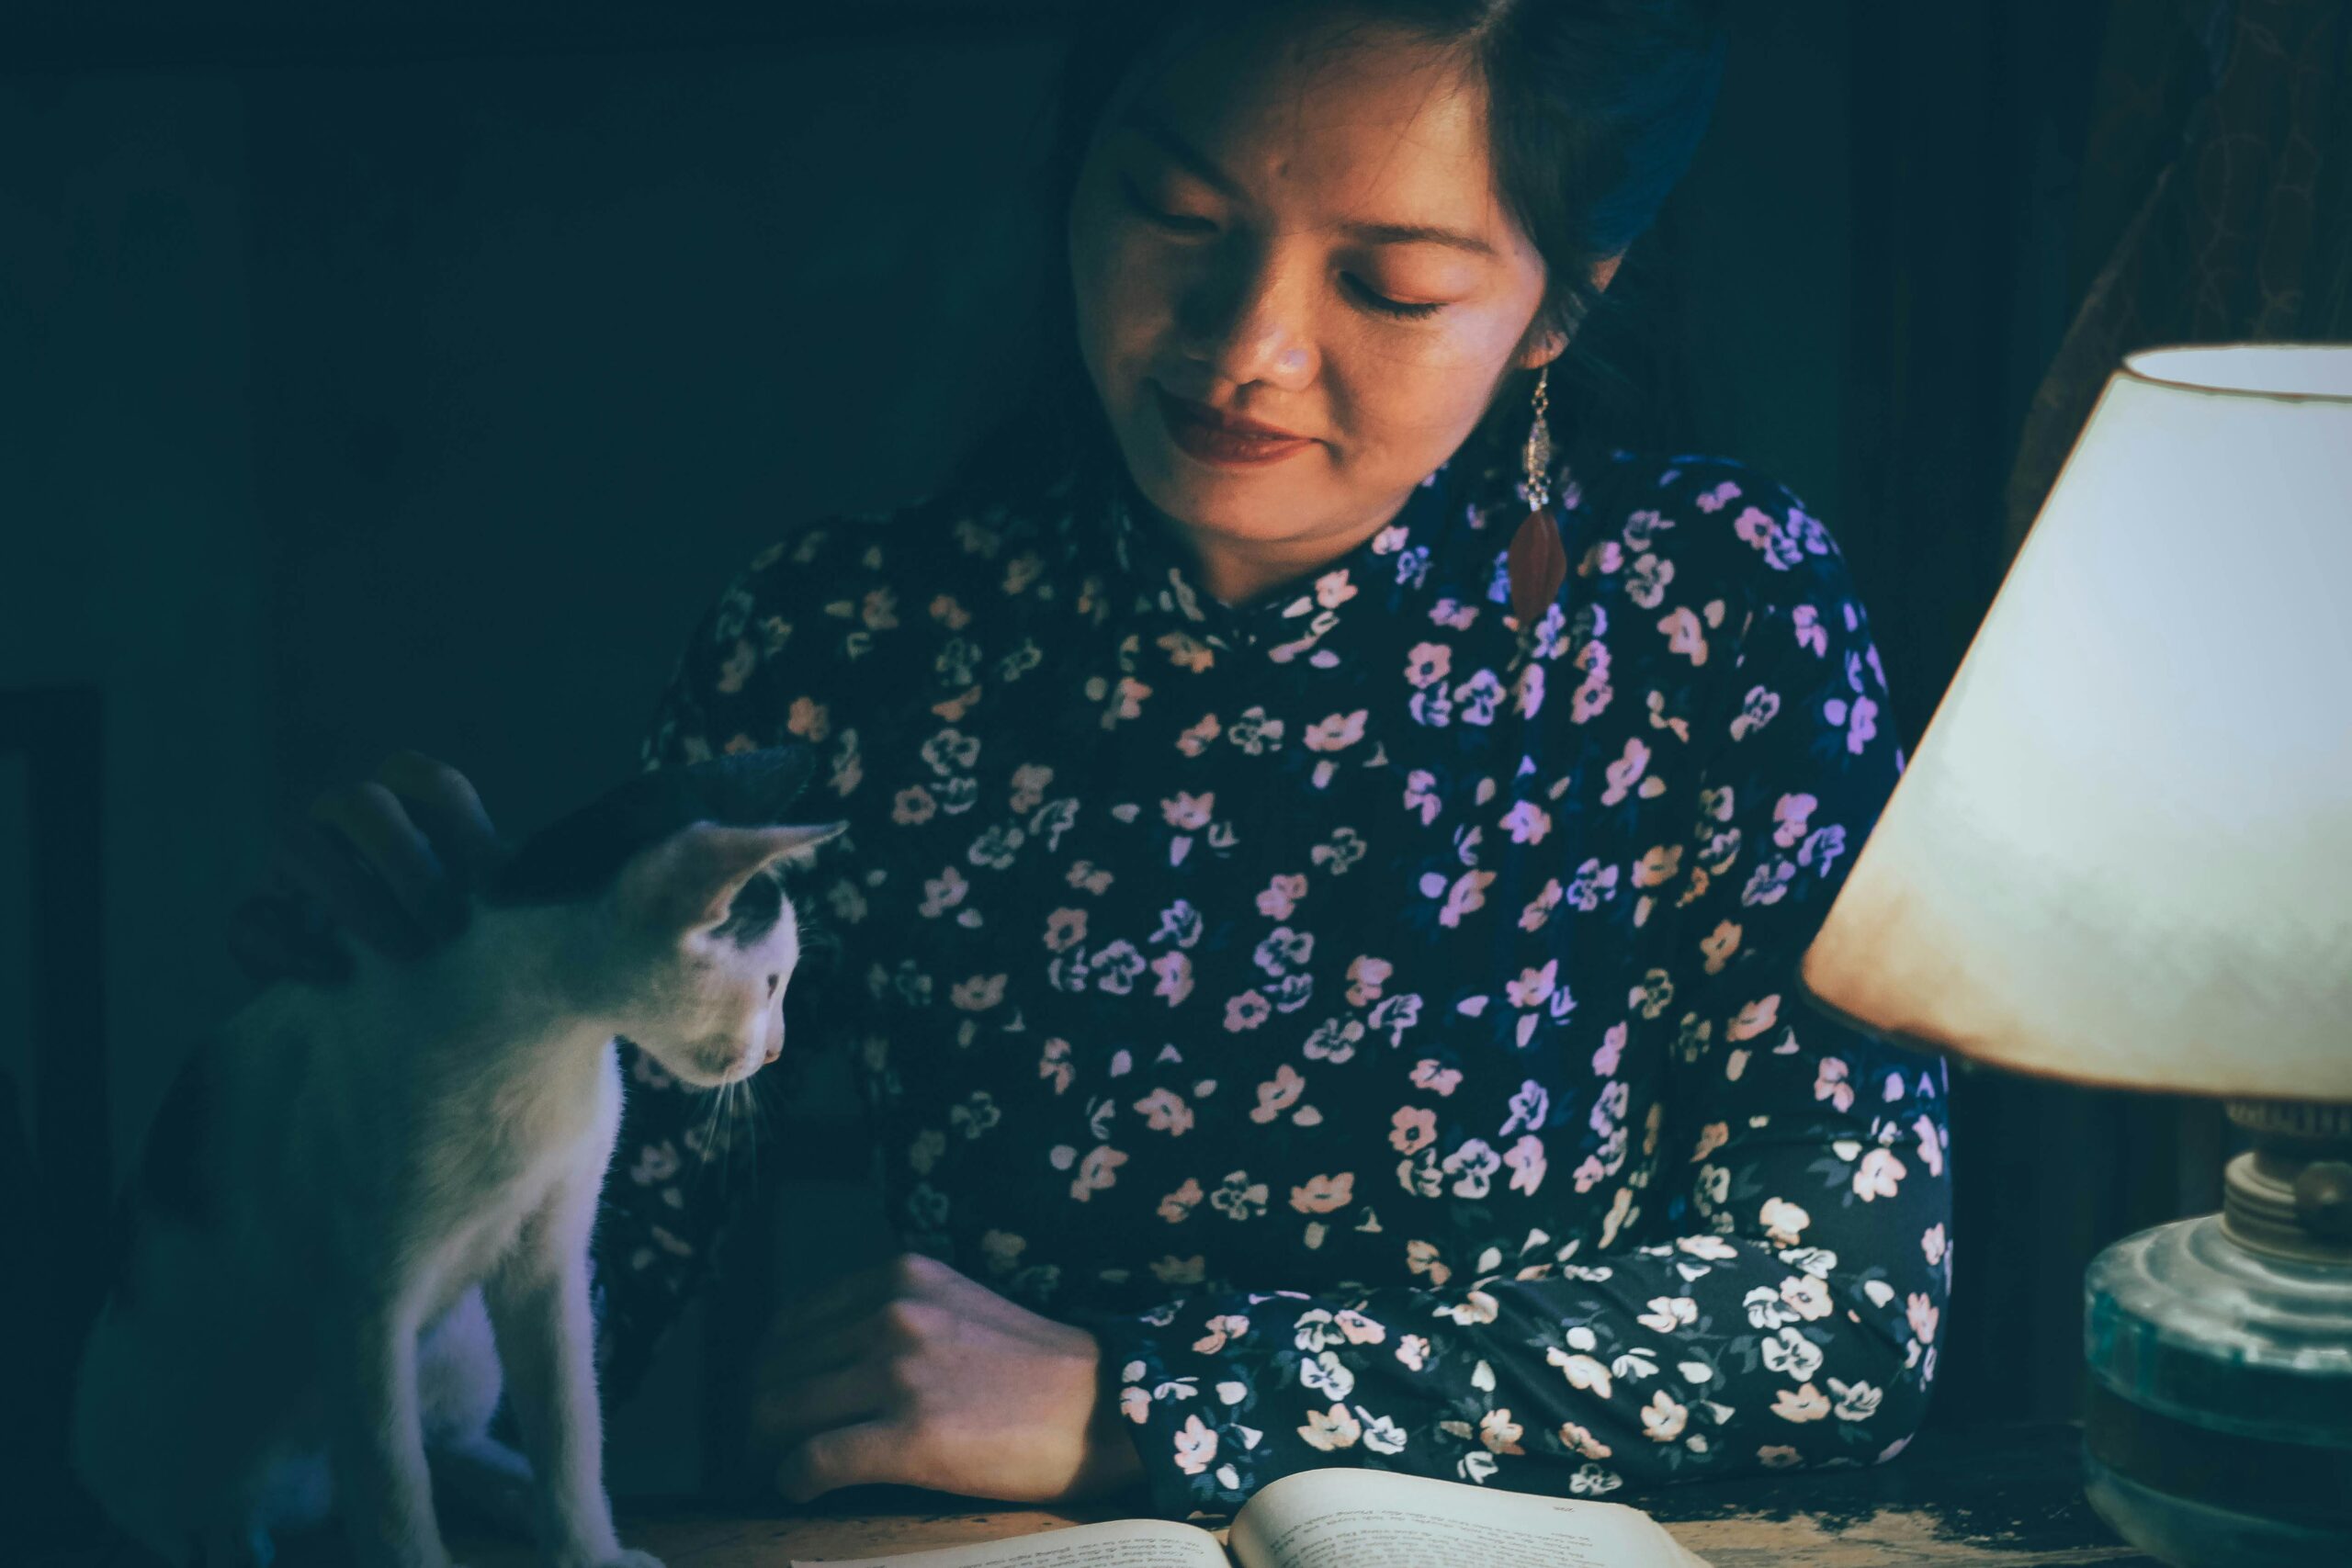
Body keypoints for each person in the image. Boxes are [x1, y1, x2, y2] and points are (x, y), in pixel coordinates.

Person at [231, 0, 1951, 1528]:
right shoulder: (853, 645)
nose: (1244, 347)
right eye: (1174, 212)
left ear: (1560, 310)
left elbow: (1845, 1318)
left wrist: (1149, 1402)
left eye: (1391, 284)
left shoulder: (1713, 606)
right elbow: (569, 1281)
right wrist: (415, 1044)